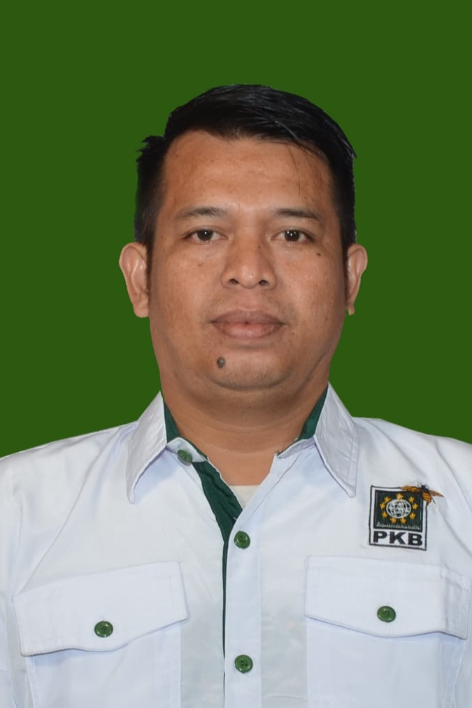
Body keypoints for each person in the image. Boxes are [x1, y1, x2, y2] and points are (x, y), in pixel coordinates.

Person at [1, 84, 471, 708]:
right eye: (205, 233)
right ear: (140, 279)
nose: (249, 270)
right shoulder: (16, 517)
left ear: (350, 278)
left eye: (293, 235)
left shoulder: (459, 501)